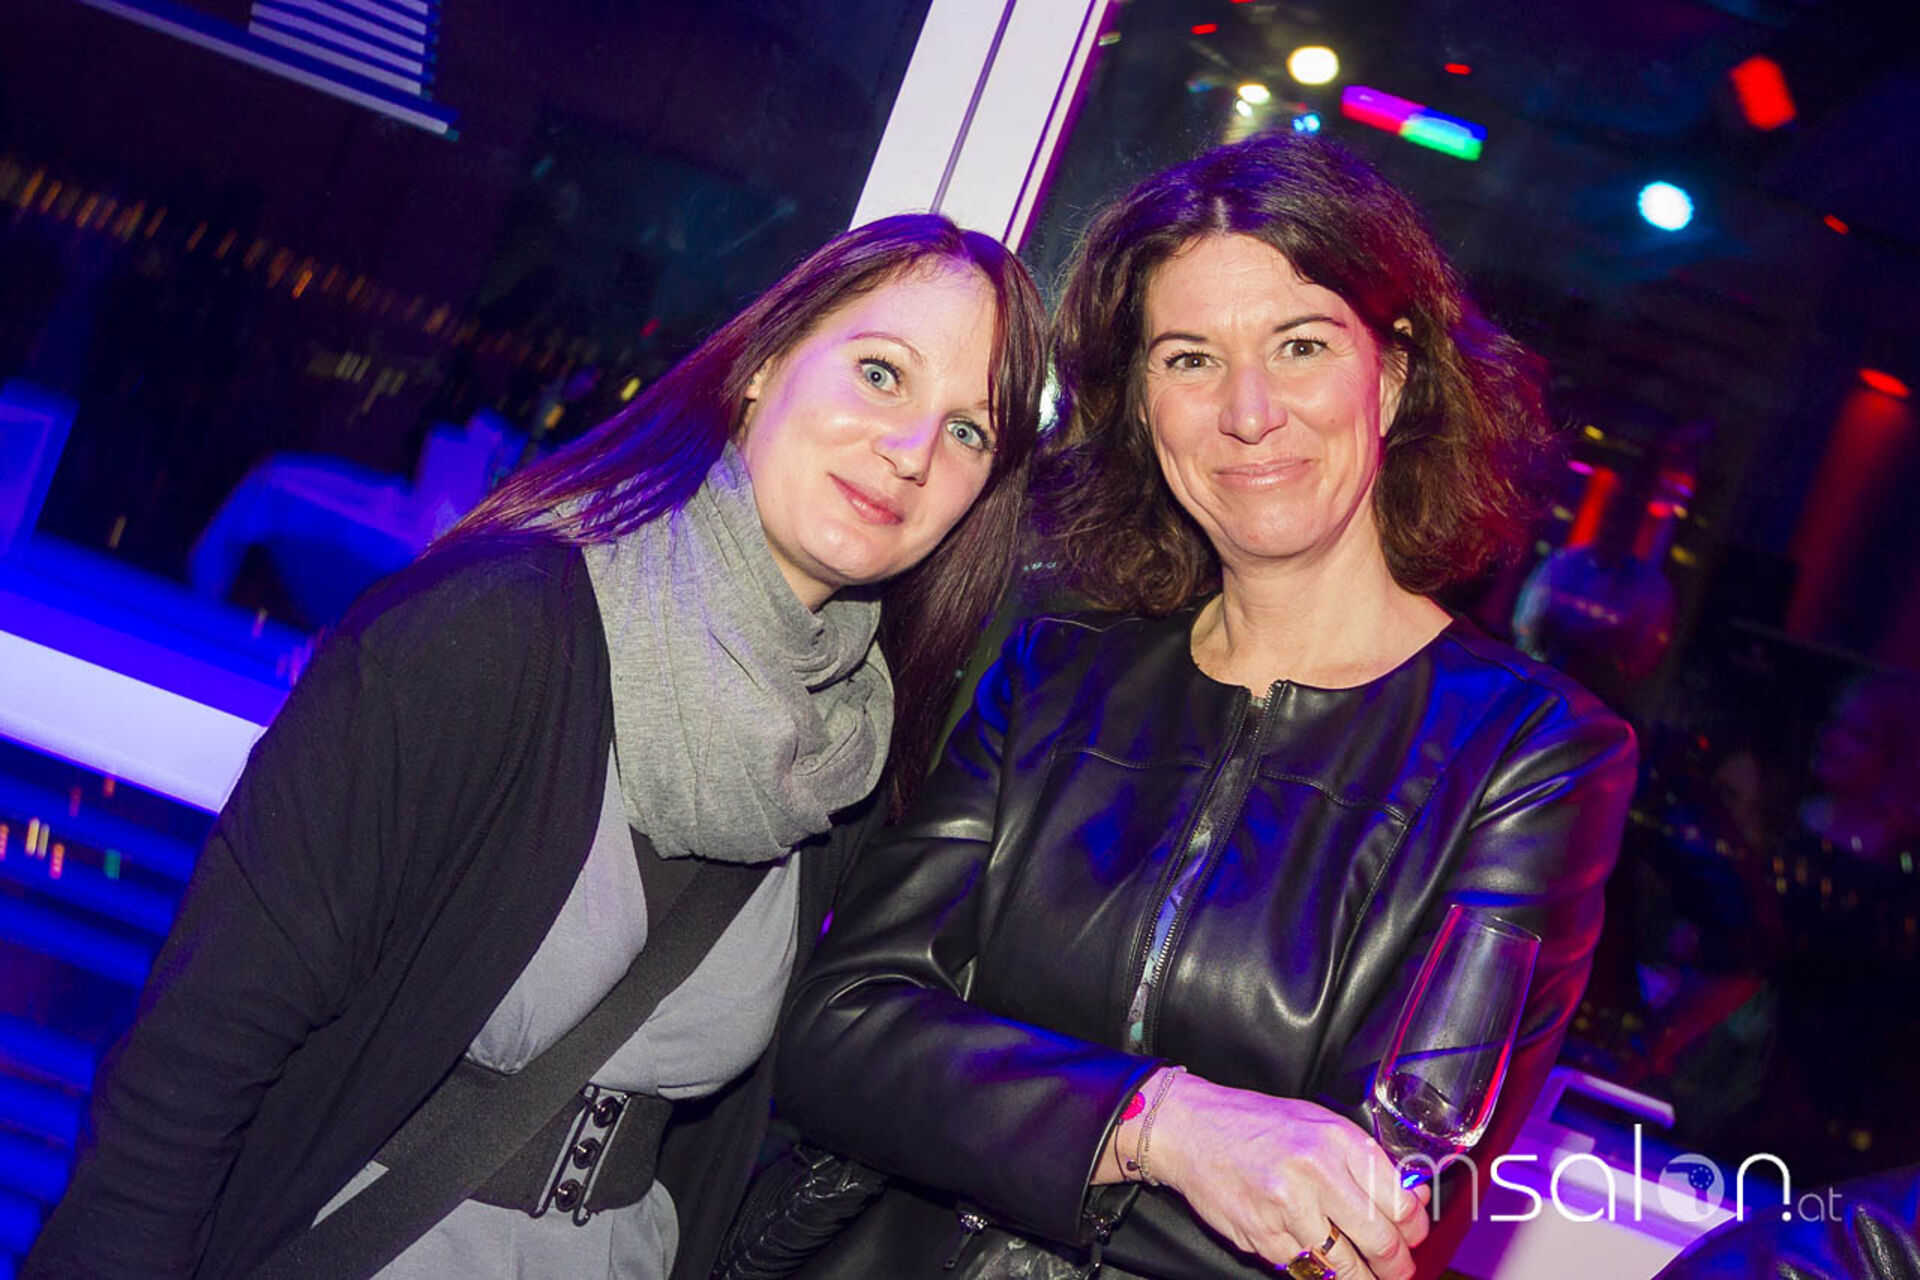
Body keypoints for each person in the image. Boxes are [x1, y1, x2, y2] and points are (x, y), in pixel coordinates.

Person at [24, 212, 1046, 1280]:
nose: (911, 451)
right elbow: (197, 1051)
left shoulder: (845, 755)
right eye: (882, 374)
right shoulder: (494, 633)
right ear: (764, 366)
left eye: (969, 432)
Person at [773, 134, 1637, 1279]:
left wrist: (983, 1104)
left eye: (1300, 344)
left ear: (1392, 376)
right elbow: (837, 1036)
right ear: (1140, 404)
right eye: (1189, 358)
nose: (1248, 411)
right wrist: (1162, 1123)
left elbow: (1380, 1219)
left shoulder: (1534, 754)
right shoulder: (1052, 669)